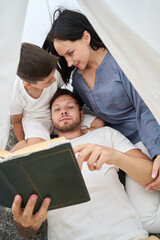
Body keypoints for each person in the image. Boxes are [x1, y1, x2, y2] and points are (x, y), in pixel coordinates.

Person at [42, 8, 160, 232]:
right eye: (64, 57)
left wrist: (157, 151)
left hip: (149, 136)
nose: (68, 62)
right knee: (146, 219)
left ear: (86, 37)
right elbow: (79, 112)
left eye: (70, 53)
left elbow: (146, 108)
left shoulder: (120, 61)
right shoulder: (78, 81)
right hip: (126, 147)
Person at [12, 88, 159, 240]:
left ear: (82, 114)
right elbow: (26, 230)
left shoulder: (106, 134)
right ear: (50, 119)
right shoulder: (40, 152)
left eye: (70, 107)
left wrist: (116, 157)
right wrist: (26, 225)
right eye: (57, 109)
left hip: (128, 236)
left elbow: (152, 176)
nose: (63, 112)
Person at [10, 42, 104, 152]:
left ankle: (58, 140)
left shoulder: (53, 75)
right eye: (48, 81)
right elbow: (16, 121)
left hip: (56, 113)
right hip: (37, 120)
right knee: (35, 147)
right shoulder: (16, 94)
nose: (54, 80)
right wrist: (23, 141)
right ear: (28, 84)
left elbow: (60, 94)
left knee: (99, 123)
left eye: (53, 75)